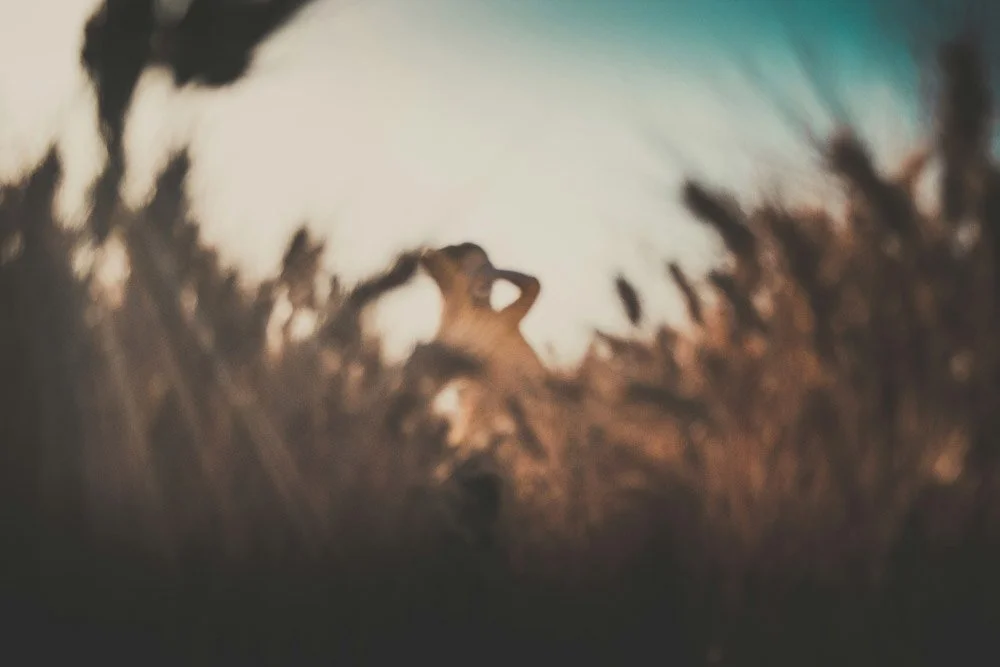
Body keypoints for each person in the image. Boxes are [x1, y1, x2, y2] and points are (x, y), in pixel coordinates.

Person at [420, 243, 545, 379]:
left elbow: (532, 286)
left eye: (486, 267)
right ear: (458, 277)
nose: (483, 276)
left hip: (542, 392)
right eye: (473, 270)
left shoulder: (501, 320)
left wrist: (497, 273)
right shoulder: (453, 329)